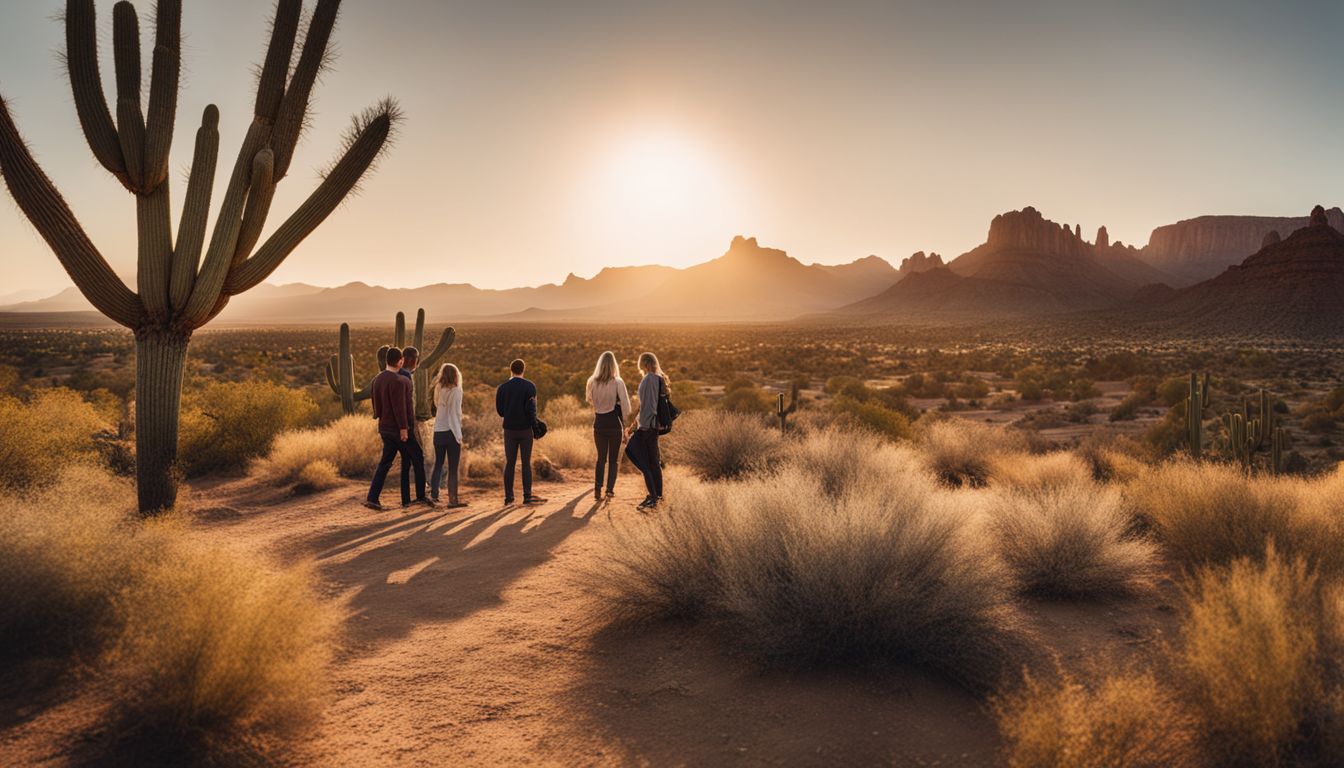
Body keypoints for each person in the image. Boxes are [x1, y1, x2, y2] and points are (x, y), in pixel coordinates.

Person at [365, 347, 415, 511]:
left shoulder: (377, 379)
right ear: (400, 361)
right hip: (396, 429)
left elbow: (375, 403)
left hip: (384, 426)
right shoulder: (397, 380)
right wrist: (403, 428)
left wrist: (378, 415)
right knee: (410, 459)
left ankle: (372, 497)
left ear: (386, 360)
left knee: (385, 462)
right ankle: (407, 500)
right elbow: (399, 407)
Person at [496, 358, 546, 505]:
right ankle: (527, 495)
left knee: (510, 462)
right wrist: (535, 426)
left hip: (509, 430)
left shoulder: (502, 388)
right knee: (526, 463)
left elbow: (500, 412)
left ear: (511, 370)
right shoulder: (530, 386)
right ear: (523, 370)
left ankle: (509, 497)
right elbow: (532, 410)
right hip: (525, 430)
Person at [585, 350, 632, 501]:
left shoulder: (592, 382)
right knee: (613, 460)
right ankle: (609, 490)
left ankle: (597, 490)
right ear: (614, 365)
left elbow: (590, 400)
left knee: (601, 459)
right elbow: (626, 407)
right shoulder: (618, 381)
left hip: (598, 423)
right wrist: (626, 424)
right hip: (613, 424)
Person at [626, 351, 666, 509]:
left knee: (639, 457)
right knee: (653, 462)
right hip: (653, 426)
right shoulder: (659, 379)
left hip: (647, 426)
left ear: (644, 364)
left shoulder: (648, 379)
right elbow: (648, 405)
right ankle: (658, 495)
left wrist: (643, 426)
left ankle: (653, 497)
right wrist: (633, 425)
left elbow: (648, 407)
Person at [397, 346, 433, 507]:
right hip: (407, 426)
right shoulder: (405, 376)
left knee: (406, 462)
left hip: (397, 425)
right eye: (416, 360)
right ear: (412, 360)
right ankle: (420, 496)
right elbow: (407, 404)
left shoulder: (397, 374)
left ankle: (405, 499)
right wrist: (409, 426)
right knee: (418, 458)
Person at [430, 363, 467, 508]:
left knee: (438, 463)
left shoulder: (439, 389)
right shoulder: (457, 391)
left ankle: (434, 495)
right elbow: (454, 414)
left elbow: (438, 407)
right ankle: (453, 500)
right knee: (453, 467)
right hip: (451, 432)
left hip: (438, 431)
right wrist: (458, 435)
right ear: (455, 375)